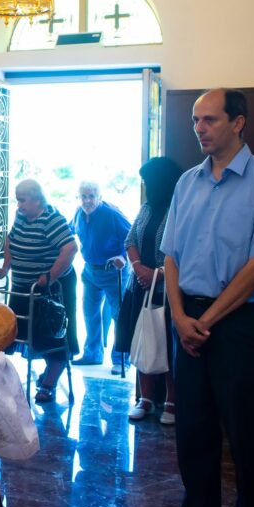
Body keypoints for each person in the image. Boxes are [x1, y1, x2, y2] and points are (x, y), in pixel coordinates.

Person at [161, 88, 254, 507]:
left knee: (245, 437)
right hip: (190, 319)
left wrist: (204, 321)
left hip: (241, 323)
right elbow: (171, 255)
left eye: (210, 120)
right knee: (193, 434)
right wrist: (181, 318)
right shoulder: (187, 182)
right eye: (195, 121)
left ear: (238, 122)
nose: (199, 128)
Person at [0, 179, 78, 403]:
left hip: (47, 292)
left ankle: (49, 384)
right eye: (17, 200)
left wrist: (50, 276)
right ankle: (3, 382)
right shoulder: (21, 216)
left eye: (23, 200)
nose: (19, 205)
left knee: (50, 337)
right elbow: (10, 242)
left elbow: (71, 248)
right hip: (22, 287)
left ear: (38, 199)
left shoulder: (51, 218)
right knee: (16, 333)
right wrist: (6, 267)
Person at [114, 157, 184, 424]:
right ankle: (145, 398)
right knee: (144, 341)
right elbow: (130, 239)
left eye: (147, 181)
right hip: (141, 286)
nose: (144, 185)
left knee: (166, 343)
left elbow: (183, 249)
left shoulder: (179, 208)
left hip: (168, 289)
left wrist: (159, 273)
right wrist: (138, 267)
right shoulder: (145, 208)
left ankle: (172, 401)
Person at [70, 181, 132, 373]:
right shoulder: (79, 214)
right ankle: (93, 354)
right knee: (90, 313)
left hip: (114, 272)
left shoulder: (112, 214)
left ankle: (121, 358)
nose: (87, 200)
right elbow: (68, 230)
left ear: (100, 197)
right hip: (90, 271)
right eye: (83, 196)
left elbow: (132, 237)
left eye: (91, 196)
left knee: (119, 316)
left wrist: (123, 256)